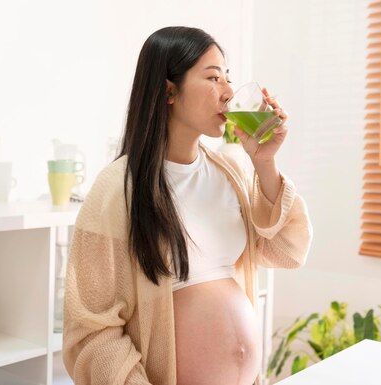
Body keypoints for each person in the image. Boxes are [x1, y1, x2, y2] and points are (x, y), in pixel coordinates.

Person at [62, 26, 313, 385]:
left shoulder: (229, 173)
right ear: (168, 91)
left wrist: (265, 163)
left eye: (229, 78)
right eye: (213, 78)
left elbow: (288, 251)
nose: (228, 93)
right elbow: (91, 330)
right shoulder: (117, 190)